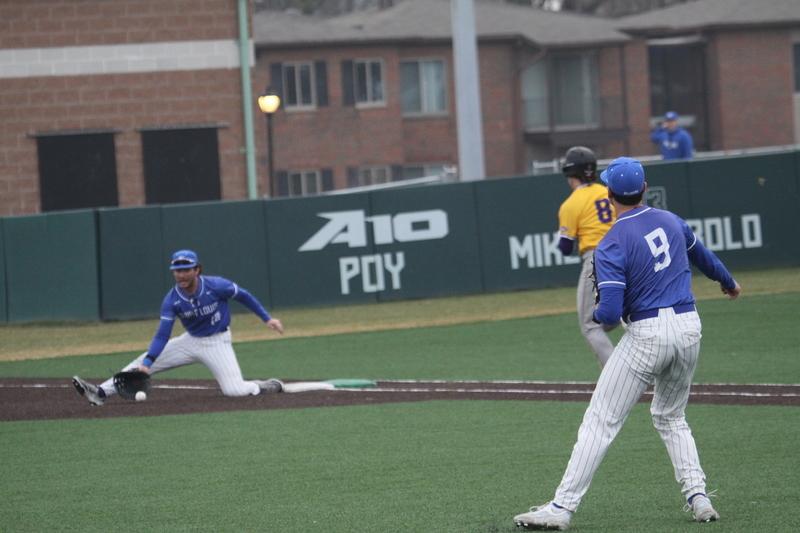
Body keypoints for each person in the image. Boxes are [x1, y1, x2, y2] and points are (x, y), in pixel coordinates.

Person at [514, 157, 740, 531]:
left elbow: (609, 314)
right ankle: (698, 496)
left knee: (600, 421)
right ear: (644, 187)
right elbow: (703, 257)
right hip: (688, 326)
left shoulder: (611, 242)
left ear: (609, 192)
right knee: (672, 417)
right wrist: (728, 283)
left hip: (647, 334)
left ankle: (561, 508)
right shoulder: (671, 220)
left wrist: (602, 308)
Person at [72, 249, 285, 405]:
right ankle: (99, 393)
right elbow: (163, 334)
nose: (181, 274)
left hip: (217, 342)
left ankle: (263, 386)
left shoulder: (216, 285)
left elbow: (244, 296)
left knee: (235, 392)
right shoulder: (172, 299)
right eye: (177, 270)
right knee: (140, 363)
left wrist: (267, 318)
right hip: (189, 341)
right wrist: (148, 363)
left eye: (185, 269)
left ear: (197, 269)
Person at [557, 146, 620, 369]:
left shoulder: (571, 203)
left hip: (598, 259)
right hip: (626, 255)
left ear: (569, 171)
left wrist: (562, 237)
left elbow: (565, 247)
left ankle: (618, 375)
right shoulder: (608, 191)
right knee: (613, 315)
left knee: (589, 325)